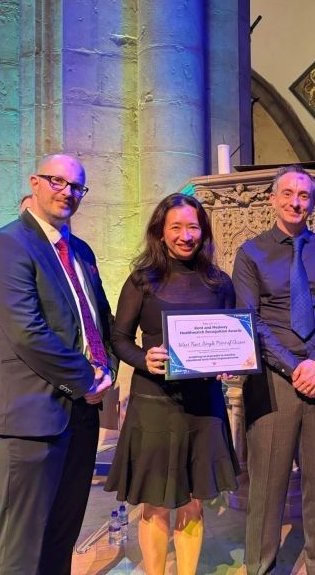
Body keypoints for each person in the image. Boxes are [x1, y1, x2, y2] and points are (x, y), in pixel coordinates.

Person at [0, 154, 115, 574]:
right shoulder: (7, 245)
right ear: (35, 183)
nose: (67, 192)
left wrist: (108, 369)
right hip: (30, 418)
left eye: (76, 187)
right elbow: (27, 332)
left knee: (61, 535)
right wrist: (86, 379)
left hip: (80, 415)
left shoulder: (81, 250)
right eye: (58, 182)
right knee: (24, 547)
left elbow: (99, 322)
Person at [104, 193, 240, 575]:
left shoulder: (219, 282)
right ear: (161, 233)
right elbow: (119, 339)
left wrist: (229, 363)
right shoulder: (141, 281)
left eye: (193, 227)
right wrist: (143, 360)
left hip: (204, 407)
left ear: (203, 231)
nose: (186, 235)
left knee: (194, 501)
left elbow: (231, 336)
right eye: (176, 227)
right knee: (155, 503)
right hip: (154, 403)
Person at [232, 165, 315, 575]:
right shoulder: (250, 253)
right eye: (288, 194)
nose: (296, 202)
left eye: (304, 196)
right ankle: (260, 567)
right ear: (272, 199)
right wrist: (293, 365)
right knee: (266, 486)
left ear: (313, 202)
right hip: (272, 380)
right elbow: (249, 319)